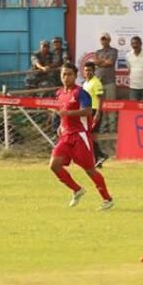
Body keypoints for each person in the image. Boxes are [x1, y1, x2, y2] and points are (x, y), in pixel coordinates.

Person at [50, 63, 114, 210]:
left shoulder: (81, 93)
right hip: (66, 136)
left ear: (75, 75)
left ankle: (107, 199)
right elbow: (61, 112)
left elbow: (87, 112)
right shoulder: (60, 93)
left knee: (90, 170)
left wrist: (68, 114)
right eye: (63, 74)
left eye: (69, 74)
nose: (66, 77)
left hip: (80, 136)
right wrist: (61, 124)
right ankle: (77, 189)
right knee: (54, 165)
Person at [80, 61, 109, 165]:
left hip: (94, 111)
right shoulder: (85, 83)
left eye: (90, 70)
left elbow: (101, 98)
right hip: (86, 111)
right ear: (83, 71)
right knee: (89, 136)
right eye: (86, 70)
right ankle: (98, 159)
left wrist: (98, 113)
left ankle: (100, 156)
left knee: (91, 136)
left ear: (94, 71)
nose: (88, 72)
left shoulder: (96, 82)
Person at [94, 32, 119, 99]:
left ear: (109, 40)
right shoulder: (98, 52)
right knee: (98, 104)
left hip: (110, 82)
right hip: (98, 81)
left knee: (110, 105)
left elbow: (110, 62)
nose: (104, 41)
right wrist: (105, 60)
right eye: (102, 39)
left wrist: (100, 62)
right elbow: (95, 62)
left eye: (105, 39)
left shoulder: (114, 51)